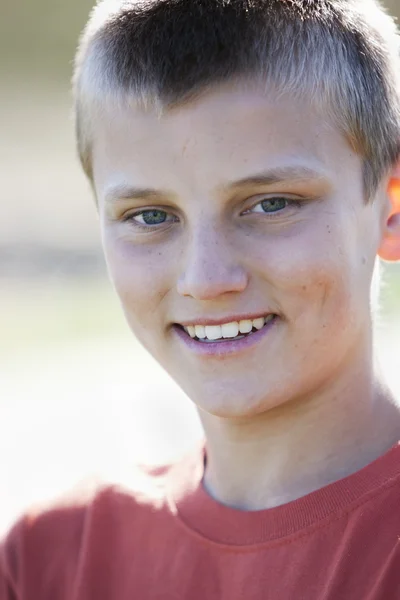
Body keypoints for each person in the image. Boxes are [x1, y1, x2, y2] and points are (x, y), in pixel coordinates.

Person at [2, 0, 400, 597]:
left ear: (390, 208)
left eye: (271, 204)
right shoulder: (49, 559)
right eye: (151, 215)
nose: (206, 278)